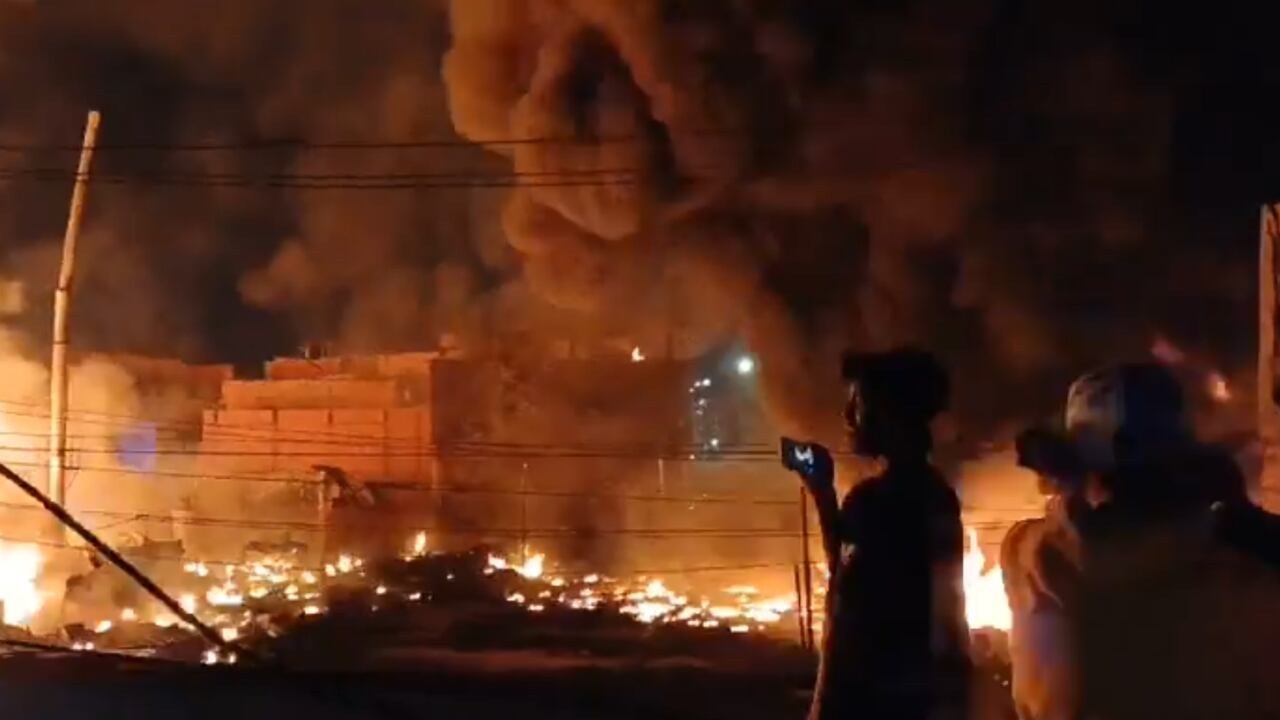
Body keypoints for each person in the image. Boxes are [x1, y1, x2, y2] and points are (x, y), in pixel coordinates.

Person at [786, 347, 968, 720]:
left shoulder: (886, 500)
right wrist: (823, 493)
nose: (849, 416)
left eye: (858, 402)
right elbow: (847, 565)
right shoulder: (929, 495)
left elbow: (855, 600)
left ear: (889, 413)